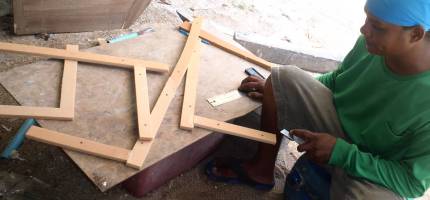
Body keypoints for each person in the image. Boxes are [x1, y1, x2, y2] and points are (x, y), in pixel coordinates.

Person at [205, 0, 430, 199]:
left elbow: (411, 184)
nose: (364, 30)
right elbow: (336, 80)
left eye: (377, 27)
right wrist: (281, 93)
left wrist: (342, 154)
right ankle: (261, 171)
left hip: (374, 169)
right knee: (284, 77)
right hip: (336, 132)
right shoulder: (371, 45)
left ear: (416, 34)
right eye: (367, 19)